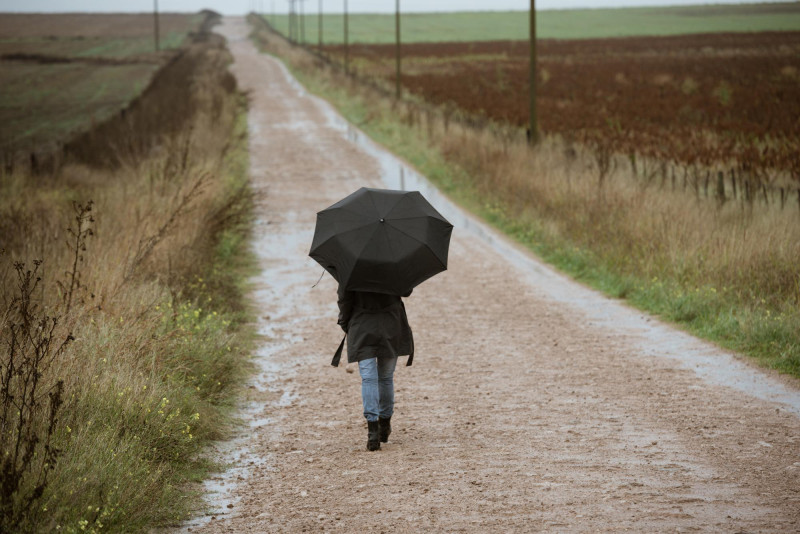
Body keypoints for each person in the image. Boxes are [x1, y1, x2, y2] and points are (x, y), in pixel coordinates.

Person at [335, 284, 414, 451]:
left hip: (362, 326)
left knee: (368, 379)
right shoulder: (395, 263)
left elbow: (344, 300)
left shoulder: (352, 269)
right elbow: (406, 290)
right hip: (391, 324)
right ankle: (384, 426)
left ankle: (372, 432)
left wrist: (345, 322)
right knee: (386, 378)